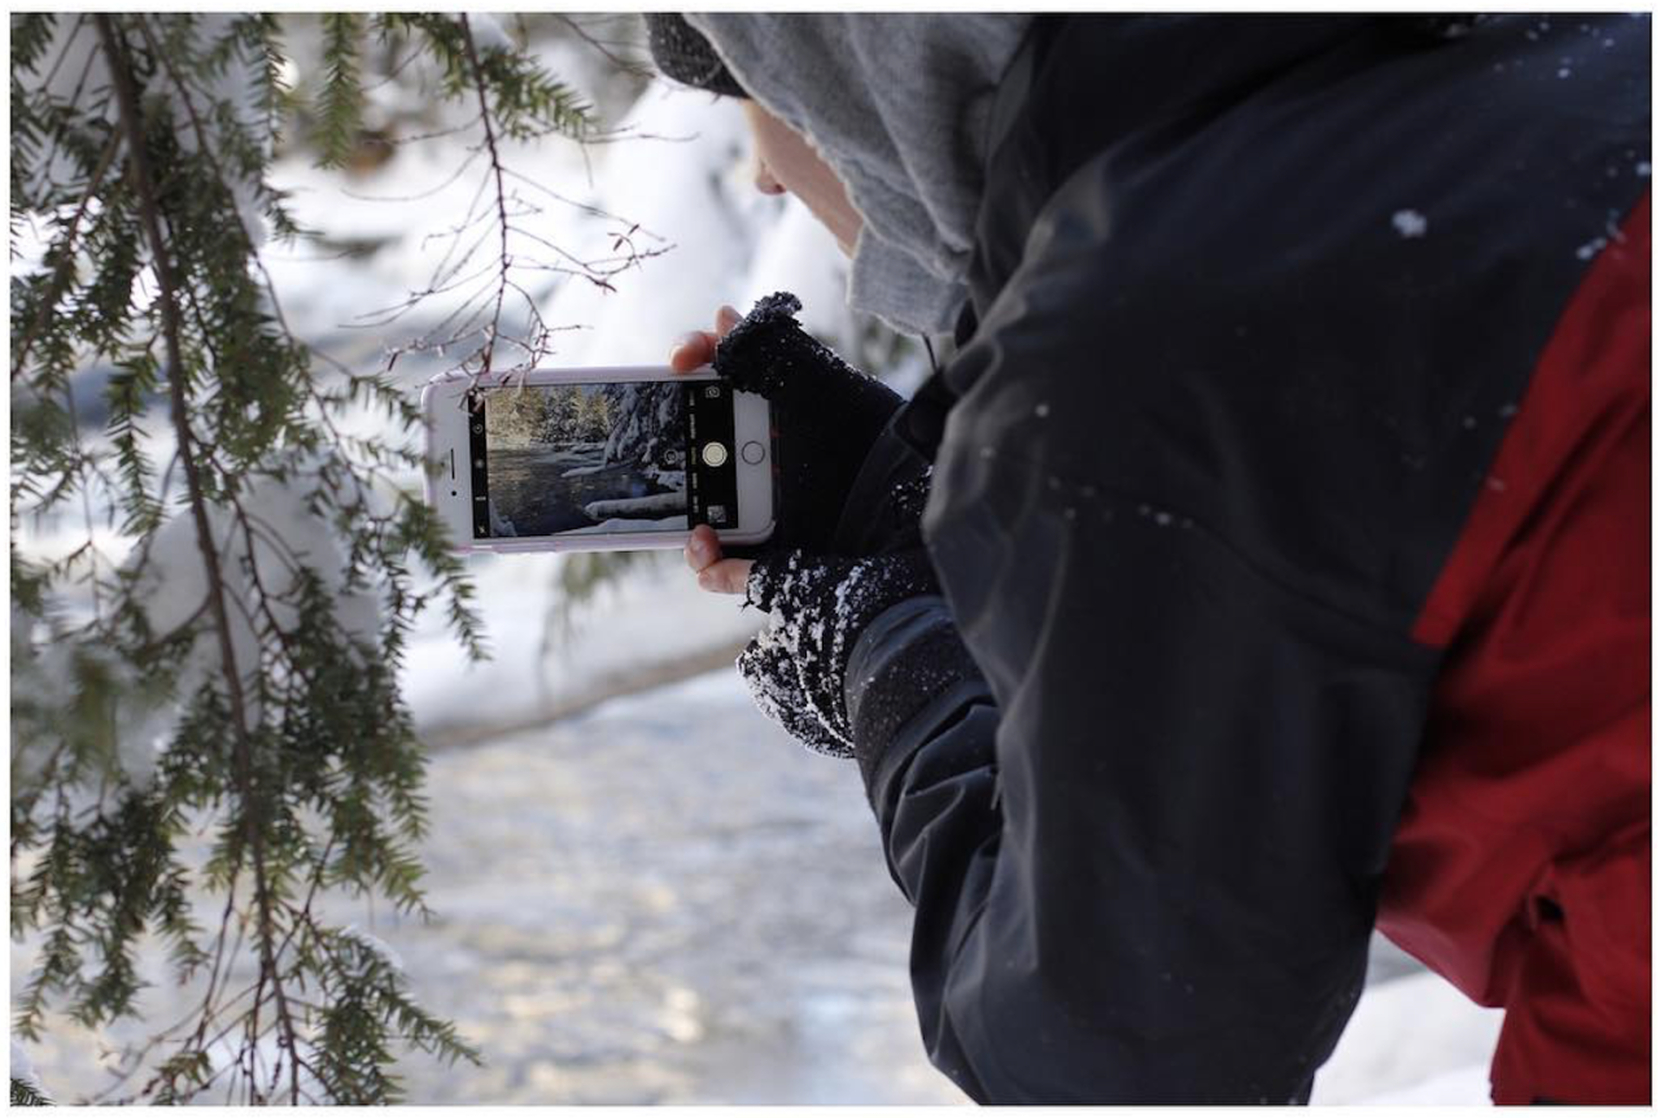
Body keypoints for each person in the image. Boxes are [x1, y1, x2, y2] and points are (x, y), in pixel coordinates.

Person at [646, 14, 1650, 1105]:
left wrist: (887, 652)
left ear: (858, 66)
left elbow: (1119, 1052)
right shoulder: (1551, 67)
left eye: (749, 86)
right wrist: (916, 500)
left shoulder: (1149, 336)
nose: (767, 178)